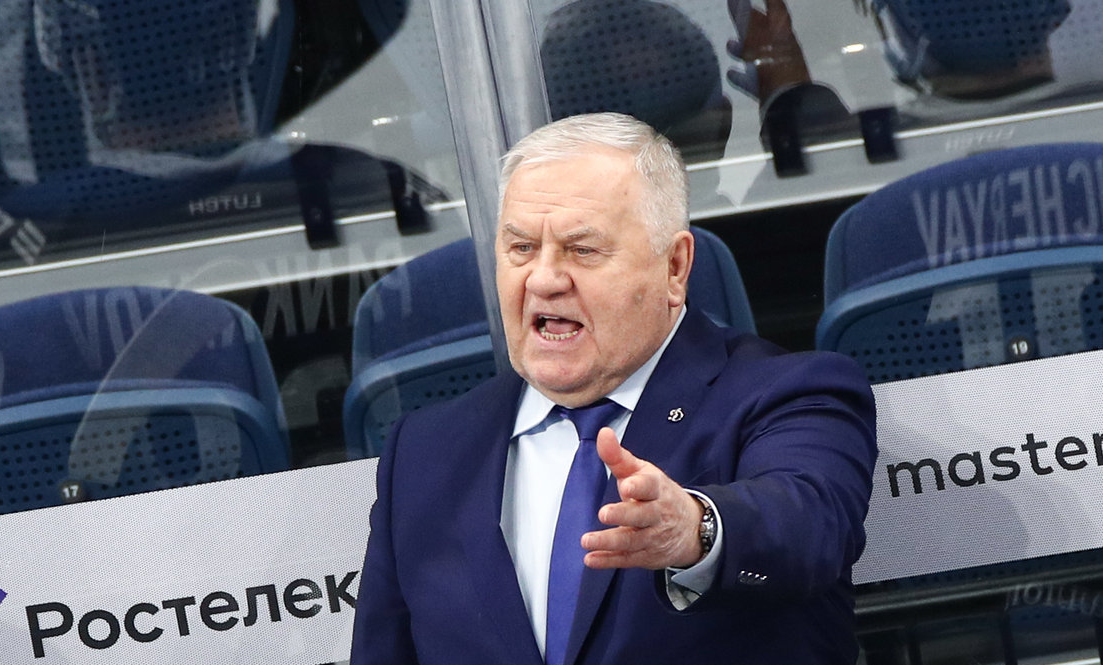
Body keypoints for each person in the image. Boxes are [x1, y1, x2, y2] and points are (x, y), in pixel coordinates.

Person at [350, 112, 878, 664]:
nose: (544, 279)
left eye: (582, 250)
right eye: (521, 248)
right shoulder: (424, 452)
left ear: (674, 267)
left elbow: (807, 525)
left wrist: (695, 529)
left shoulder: (789, 393)